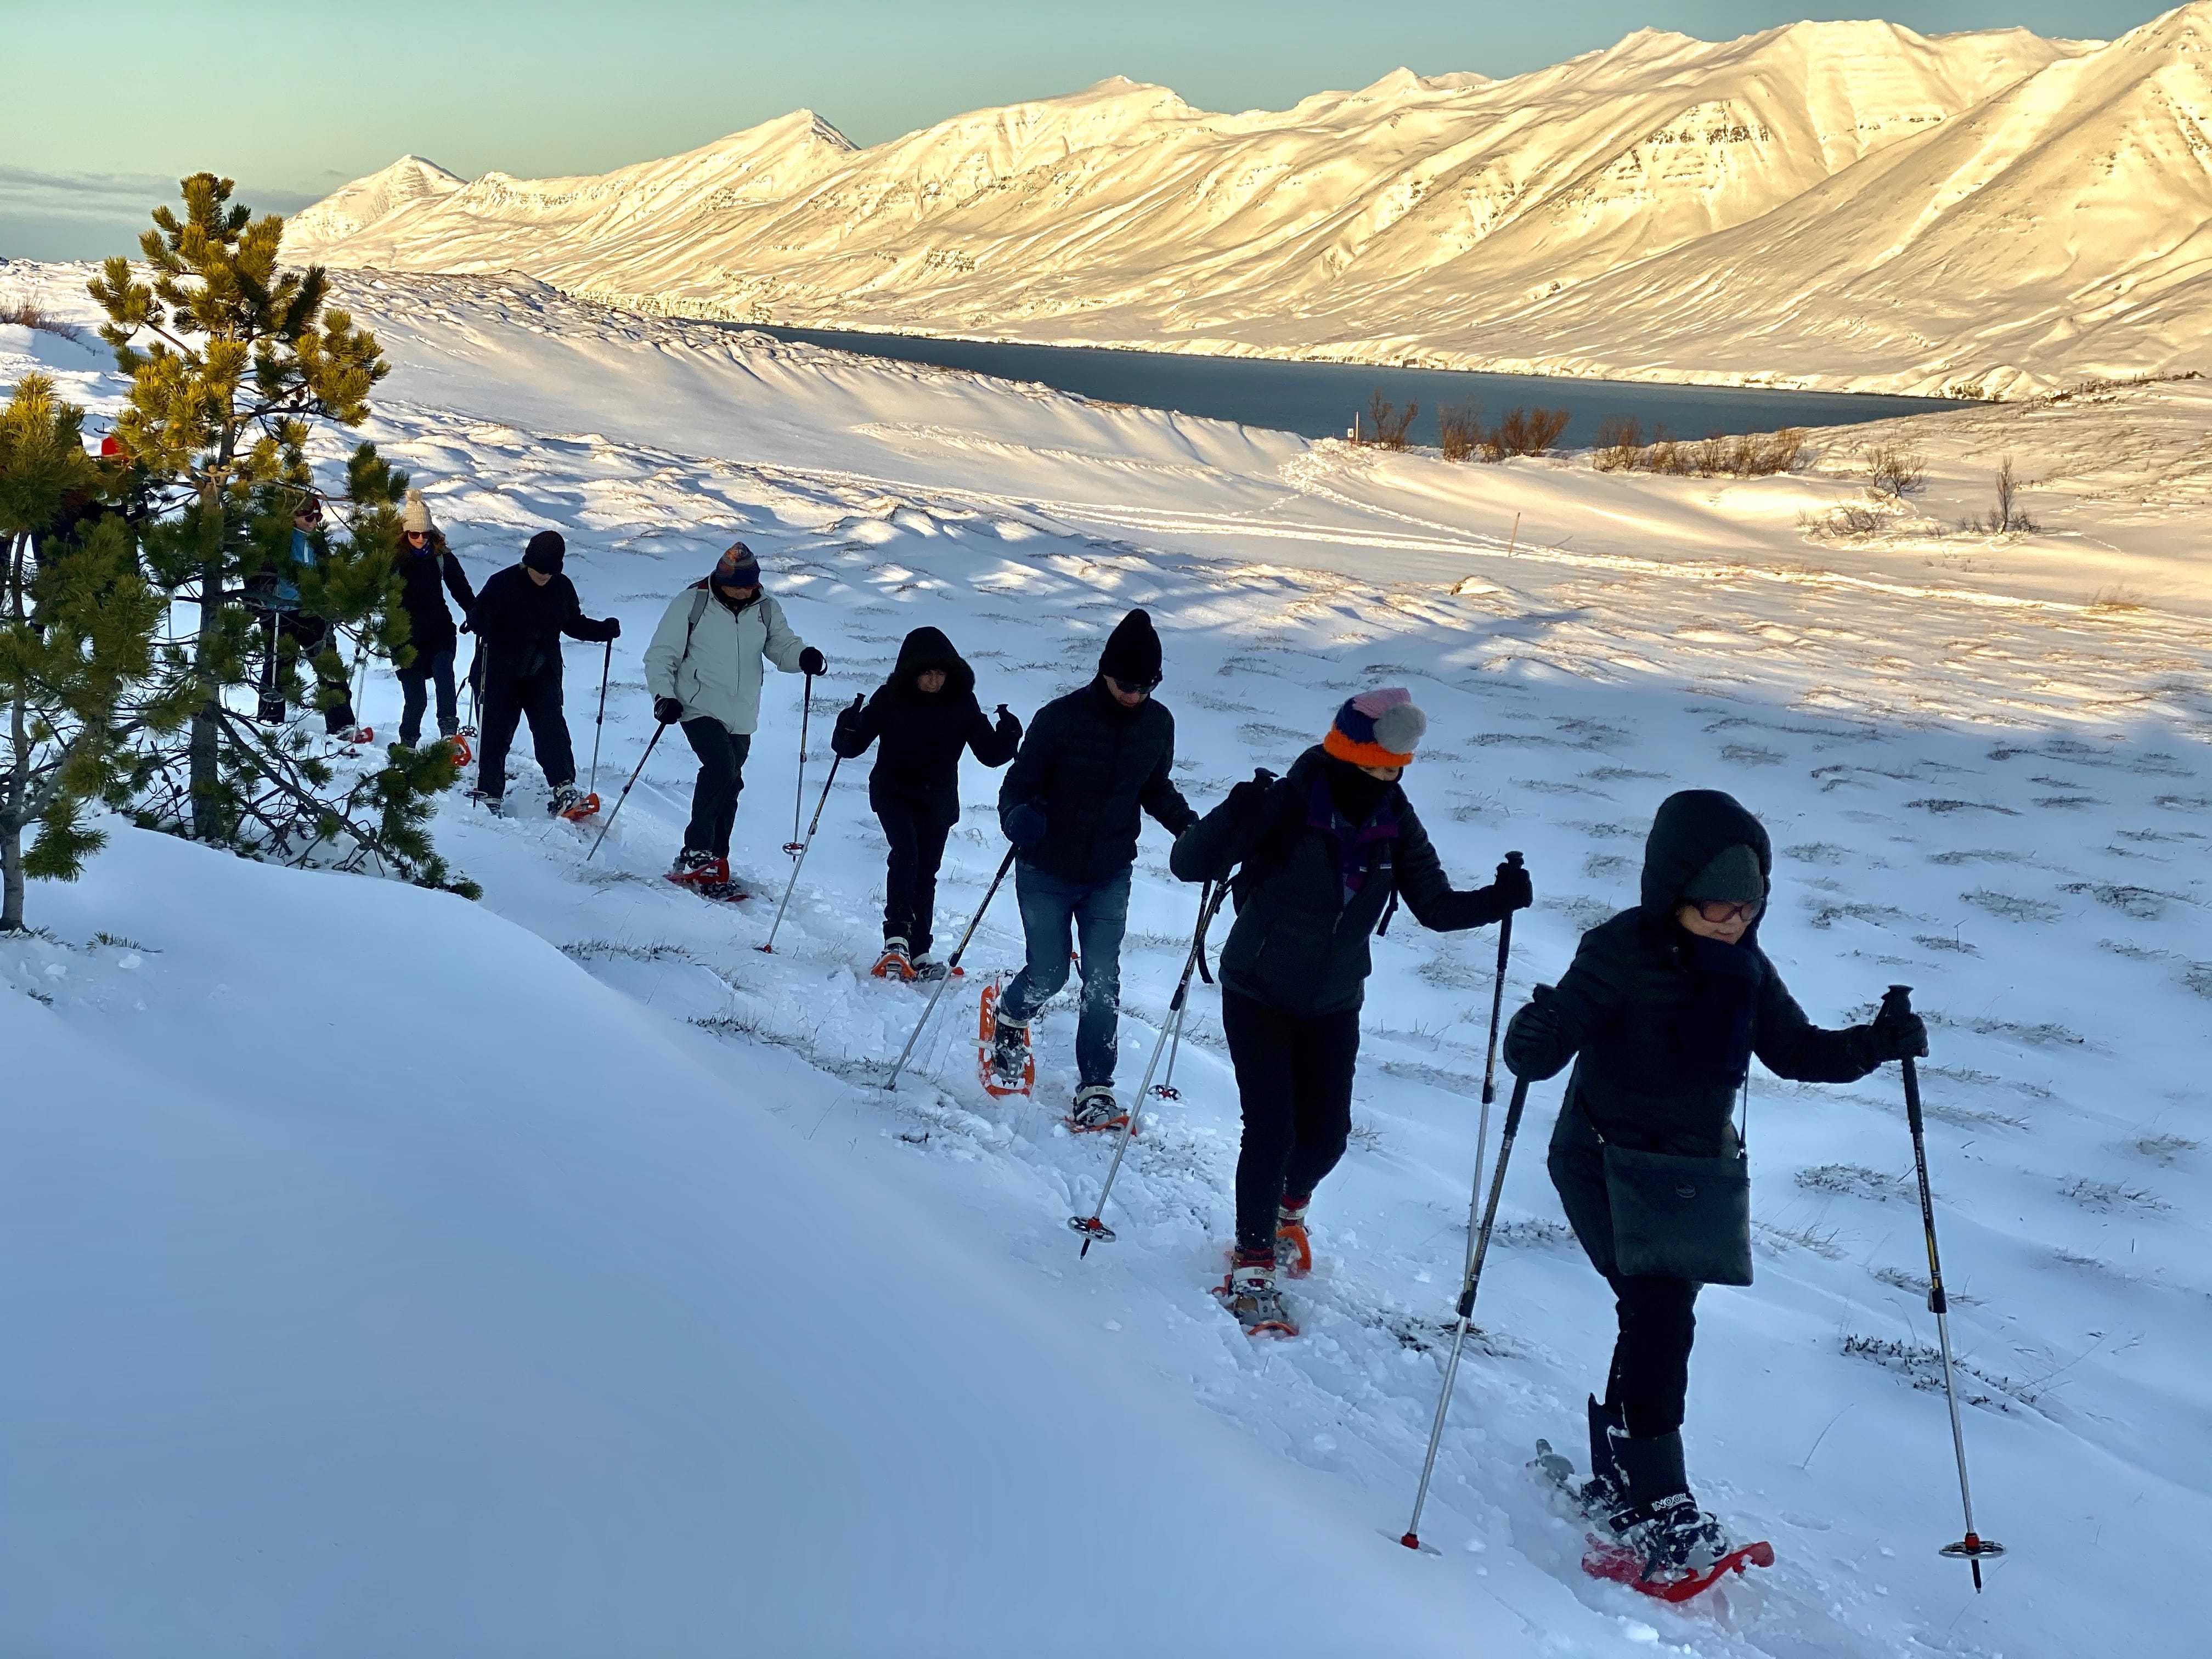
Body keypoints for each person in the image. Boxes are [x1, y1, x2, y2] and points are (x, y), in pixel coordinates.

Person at [1502, 788, 1927, 1581]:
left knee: (1658, 1317)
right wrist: (1532, 1038)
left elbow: (1796, 1052)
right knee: (1658, 1312)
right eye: (1716, 907)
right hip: (1602, 1160)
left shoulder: (1747, 970)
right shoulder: (1618, 950)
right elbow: (1547, 1047)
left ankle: (1624, 1474)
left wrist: (1876, 1043)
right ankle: (1660, 1499)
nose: (1734, 922)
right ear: (1673, 894)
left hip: (1690, 1174)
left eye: (1748, 908)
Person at [1171, 688, 1532, 1336]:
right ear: (1344, 754)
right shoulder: (1287, 802)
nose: (1385, 779)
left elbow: (1435, 907)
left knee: (1328, 1137)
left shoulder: (1396, 821)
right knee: (1272, 1129)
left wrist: (1496, 901)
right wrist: (1231, 815)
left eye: (1396, 769)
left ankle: (1286, 1211)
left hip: (1334, 1000)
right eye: (1374, 767)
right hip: (1257, 988)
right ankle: (1252, 1263)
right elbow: (1188, 863)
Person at [992, 608, 1197, 1129]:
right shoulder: (1060, 718)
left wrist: (1191, 829)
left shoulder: (1159, 723)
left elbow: (1154, 787)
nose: (1134, 695)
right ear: (1105, 672)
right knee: (1050, 972)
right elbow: (1016, 786)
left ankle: (1096, 1088)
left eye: (1146, 686)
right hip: (1046, 868)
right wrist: (1018, 818)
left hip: (1109, 870)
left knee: (1103, 981)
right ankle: (1011, 1015)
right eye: (1127, 685)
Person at [831, 627, 1021, 979]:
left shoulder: (961, 703)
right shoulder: (890, 698)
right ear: (911, 673)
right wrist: (846, 728)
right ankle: (896, 940)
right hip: (894, 792)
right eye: (927, 673)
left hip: (938, 799)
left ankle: (919, 951)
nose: (935, 681)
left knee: (927, 871)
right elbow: (851, 747)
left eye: (940, 673)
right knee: (906, 855)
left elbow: (989, 754)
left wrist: (1009, 735)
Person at [642, 541, 825, 898]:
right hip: (696, 705)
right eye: (737, 585)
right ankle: (695, 853)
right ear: (721, 579)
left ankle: (716, 859)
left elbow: (782, 646)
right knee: (721, 769)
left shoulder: (765, 608)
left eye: (750, 584)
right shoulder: (693, 603)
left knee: (731, 782)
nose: (744, 591)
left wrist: (803, 657)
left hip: (741, 713)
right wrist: (664, 696)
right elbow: (661, 655)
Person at [467, 529, 620, 814]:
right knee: (494, 732)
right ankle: (489, 791)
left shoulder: (561, 587)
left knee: (552, 728)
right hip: (499, 672)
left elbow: (573, 623)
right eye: (539, 569)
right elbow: (475, 617)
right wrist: (480, 619)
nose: (544, 575)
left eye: (550, 570)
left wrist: (602, 630)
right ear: (528, 561)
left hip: (542, 671)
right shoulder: (502, 583)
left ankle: (564, 788)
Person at [253, 494, 365, 741]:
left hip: (313, 612)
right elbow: (255, 572)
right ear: (294, 516)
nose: (314, 522)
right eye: (308, 517)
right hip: (281, 612)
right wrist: (263, 596)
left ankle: (342, 723)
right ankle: (270, 718)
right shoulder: (278, 541)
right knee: (279, 664)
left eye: (318, 517)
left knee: (329, 665)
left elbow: (330, 573)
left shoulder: (318, 542)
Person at [391, 489, 475, 751]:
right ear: (405, 533)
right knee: (416, 698)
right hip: (404, 636)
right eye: (414, 534)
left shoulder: (441, 556)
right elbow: (372, 588)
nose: (420, 539)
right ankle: (407, 745)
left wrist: (476, 614)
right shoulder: (393, 559)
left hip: (439, 631)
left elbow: (460, 588)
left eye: (425, 534)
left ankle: (449, 735)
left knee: (445, 678)